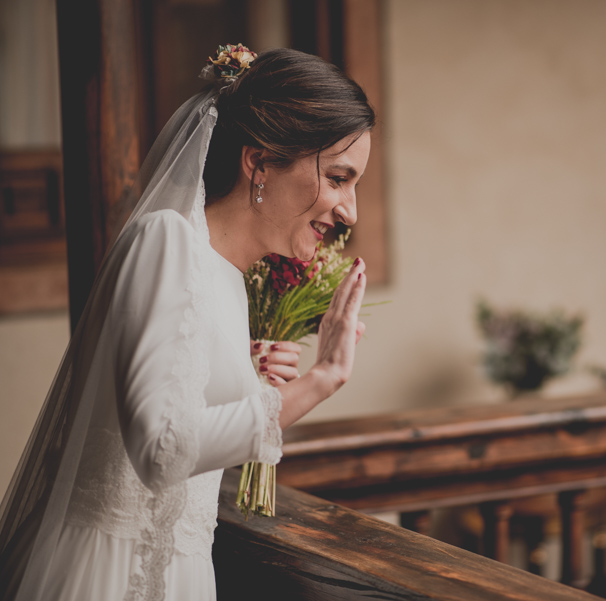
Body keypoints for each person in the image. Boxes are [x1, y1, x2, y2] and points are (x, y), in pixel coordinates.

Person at [0, 47, 375, 600]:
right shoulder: (167, 240)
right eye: (339, 178)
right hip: (109, 573)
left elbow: (182, 418)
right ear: (261, 162)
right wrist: (324, 378)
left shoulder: (229, 278)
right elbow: (161, 448)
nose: (351, 212)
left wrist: (244, 375)